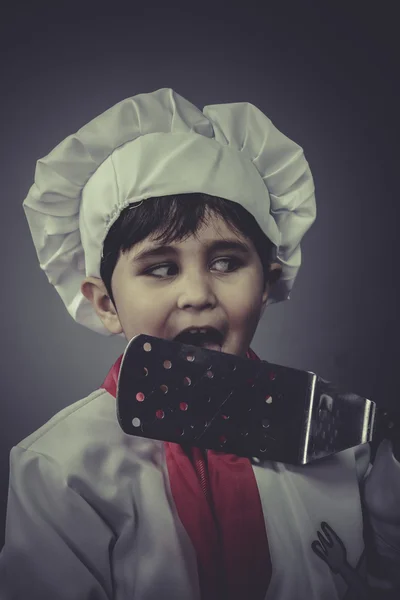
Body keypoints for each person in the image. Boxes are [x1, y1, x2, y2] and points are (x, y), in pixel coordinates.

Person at [0, 88, 399, 600]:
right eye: (161, 269)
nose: (197, 295)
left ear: (267, 284)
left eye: (227, 262)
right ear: (105, 303)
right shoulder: (61, 470)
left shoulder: (339, 443)